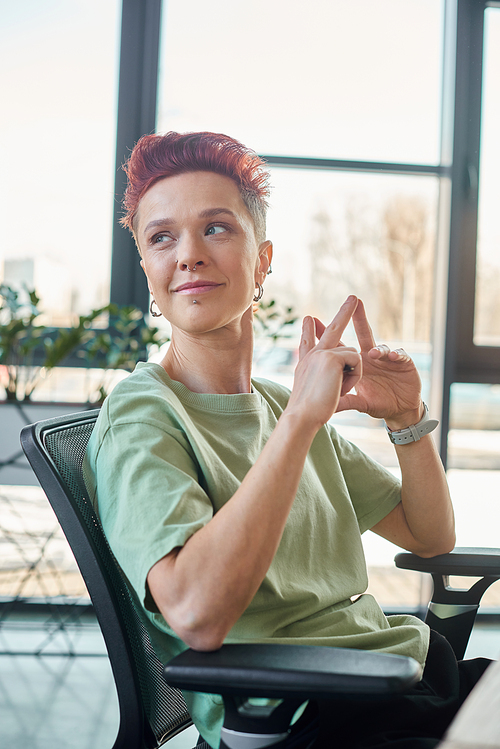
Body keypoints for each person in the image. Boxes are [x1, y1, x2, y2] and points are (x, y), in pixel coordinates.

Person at [84, 131, 490, 749]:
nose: (187, 255)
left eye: (216, 228)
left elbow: (430, 535)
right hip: (307, 715)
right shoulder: (144, 416)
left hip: (400, 676)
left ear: (263, 262)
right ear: (146, 267)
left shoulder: (277, 401)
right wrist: (302, 422)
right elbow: (195, 613)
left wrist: (406, 421)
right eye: (160, 237)